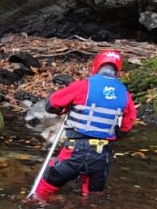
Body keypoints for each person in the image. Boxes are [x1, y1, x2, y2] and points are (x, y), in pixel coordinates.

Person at [33, 49, 136, 199]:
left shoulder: (83, 86)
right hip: (102, 156)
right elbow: (126, 126)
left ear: (96, 66)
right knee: (93, 199)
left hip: (74, 152)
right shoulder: (124, 94)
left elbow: (51, 105)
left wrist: (66, 108)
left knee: (42, 192)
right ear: (118, 70)